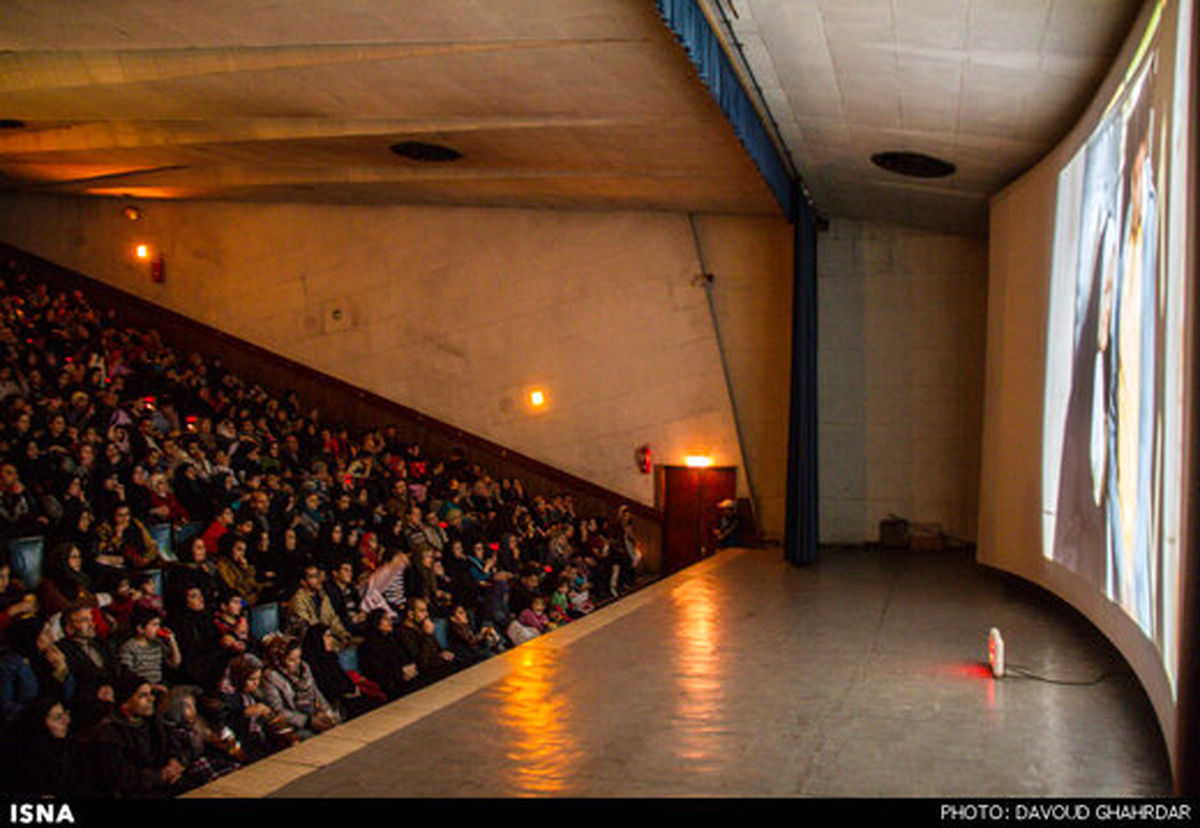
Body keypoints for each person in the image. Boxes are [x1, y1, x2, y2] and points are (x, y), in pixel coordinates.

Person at [91, 671, 186, 797]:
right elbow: (122, 777)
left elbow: (172, 745)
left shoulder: (152, 721)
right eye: (143, 696)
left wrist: (173, 761)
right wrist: (161, 776)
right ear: (125, 704)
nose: (151, 699)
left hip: (165, 782)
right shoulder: (109, 733)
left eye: (151, 694)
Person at [259, 634, 338, 742]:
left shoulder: (304, 668)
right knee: (310, 737)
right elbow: (278, 710)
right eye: (291, 660)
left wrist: (326, 711)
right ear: (280, 659)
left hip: (313, 714)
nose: (297, 663)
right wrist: (307, 721)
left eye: (299, 658)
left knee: (336, 723)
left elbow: (315, 692)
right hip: (294, 723)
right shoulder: (270, 677)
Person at [299, 624, 379, 721]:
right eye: (327, 636)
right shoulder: (311, 662)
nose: (331, 640)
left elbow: (342, 676)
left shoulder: (330, 657)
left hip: (346, 694)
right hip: (334, 700)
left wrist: (353, 688)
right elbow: (324, 686)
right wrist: (346, 692)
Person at [357, 608, 419, 700]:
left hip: (405, 677)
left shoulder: (393, 638)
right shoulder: (368, 646)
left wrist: (411, 666)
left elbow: (406, 655)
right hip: (389, 684)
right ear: (376, 622)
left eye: (390, 619)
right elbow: (377, 671)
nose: (390, 622)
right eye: (386, 619)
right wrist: (401, 672)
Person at [285, 563, 351, 649]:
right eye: (313, 577)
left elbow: (333, 619)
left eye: (318, 575)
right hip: (306, 643)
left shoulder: (322, 595)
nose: (318, 579)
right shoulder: (298, 600)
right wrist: (331, 638)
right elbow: (310, 628)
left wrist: (343, 635)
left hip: (324, 637)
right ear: (303, 582)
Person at [116, 606, 181, 689]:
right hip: (140, 687)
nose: (158, 628)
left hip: (160, 683)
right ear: (140, 629)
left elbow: (175, 663)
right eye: (154, 625)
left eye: (158, 625)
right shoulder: (128, 647)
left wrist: (172, 642)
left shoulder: (158, 643)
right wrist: (151, 686)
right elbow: (127, 675)